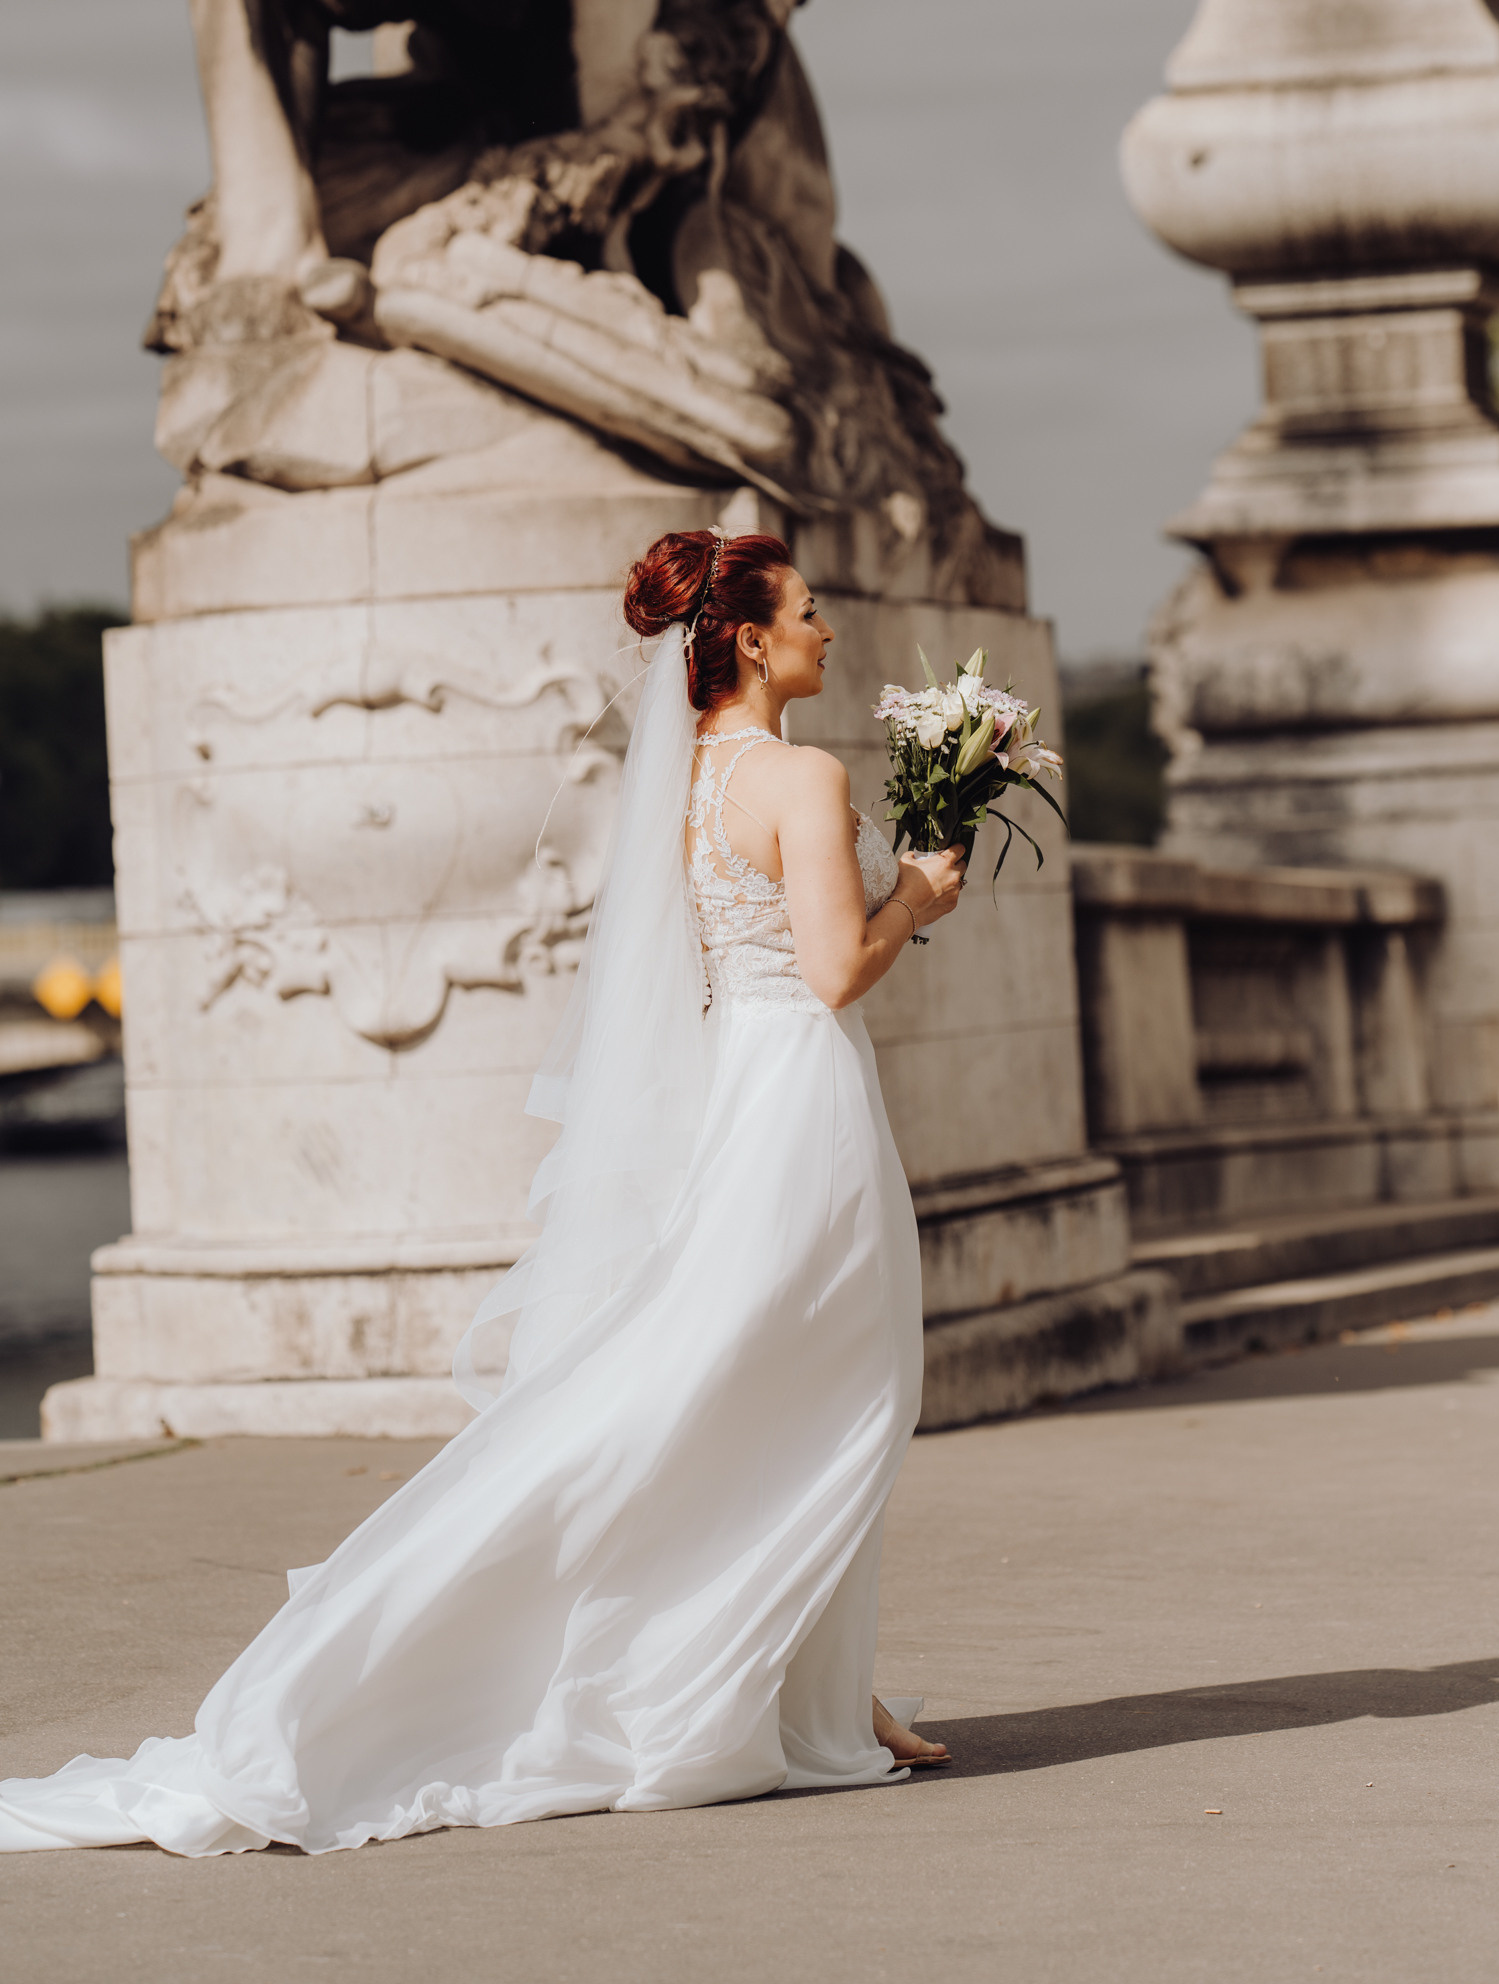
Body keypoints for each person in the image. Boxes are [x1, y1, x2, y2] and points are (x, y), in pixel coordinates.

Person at [0, 530, 965, 1855]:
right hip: (800, 1096)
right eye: (806, 610)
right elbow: (836, 972)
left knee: (759, 1396)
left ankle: (819, 1694)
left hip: (749, 1089)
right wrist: (913, 894)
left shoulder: (686, 778)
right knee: (828, 1394)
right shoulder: (801, 774)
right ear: (746, 638)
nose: (827, 630)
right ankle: (765, 1692)